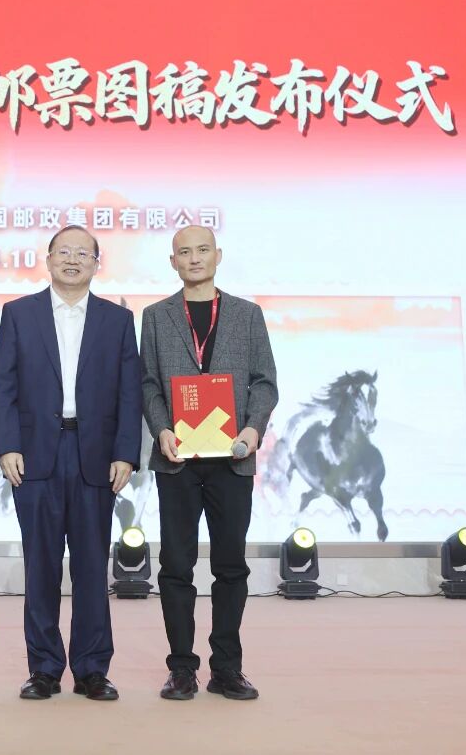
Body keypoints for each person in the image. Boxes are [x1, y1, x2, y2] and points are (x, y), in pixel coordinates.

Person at [0, 225, 142, 701]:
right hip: (35, 453)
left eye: (83, 253)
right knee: (41, 566)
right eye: (64, 252)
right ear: (48, 259)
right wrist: (6, 446)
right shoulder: (18, 314)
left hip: (94, 454)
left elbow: (130, 393)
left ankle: (92, 669)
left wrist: (126, 452)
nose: (72, 260)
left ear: (96, 263)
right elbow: (4, 387)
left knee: (93, 566)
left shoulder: (117, 320)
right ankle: (44, 669)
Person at [140, 225, 278, 701]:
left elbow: (264, 381)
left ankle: (227, 668)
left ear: (218, 256)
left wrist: (253, 429)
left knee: (230, 566)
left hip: (232, 459)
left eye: (203, 250)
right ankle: (181, 668)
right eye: (185, 252)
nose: (194, 258)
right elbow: (149, 383)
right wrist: (161, 428)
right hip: (177, 458)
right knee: (175, 566)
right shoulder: (156, 317)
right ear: (172, 261)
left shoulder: (247, 314)